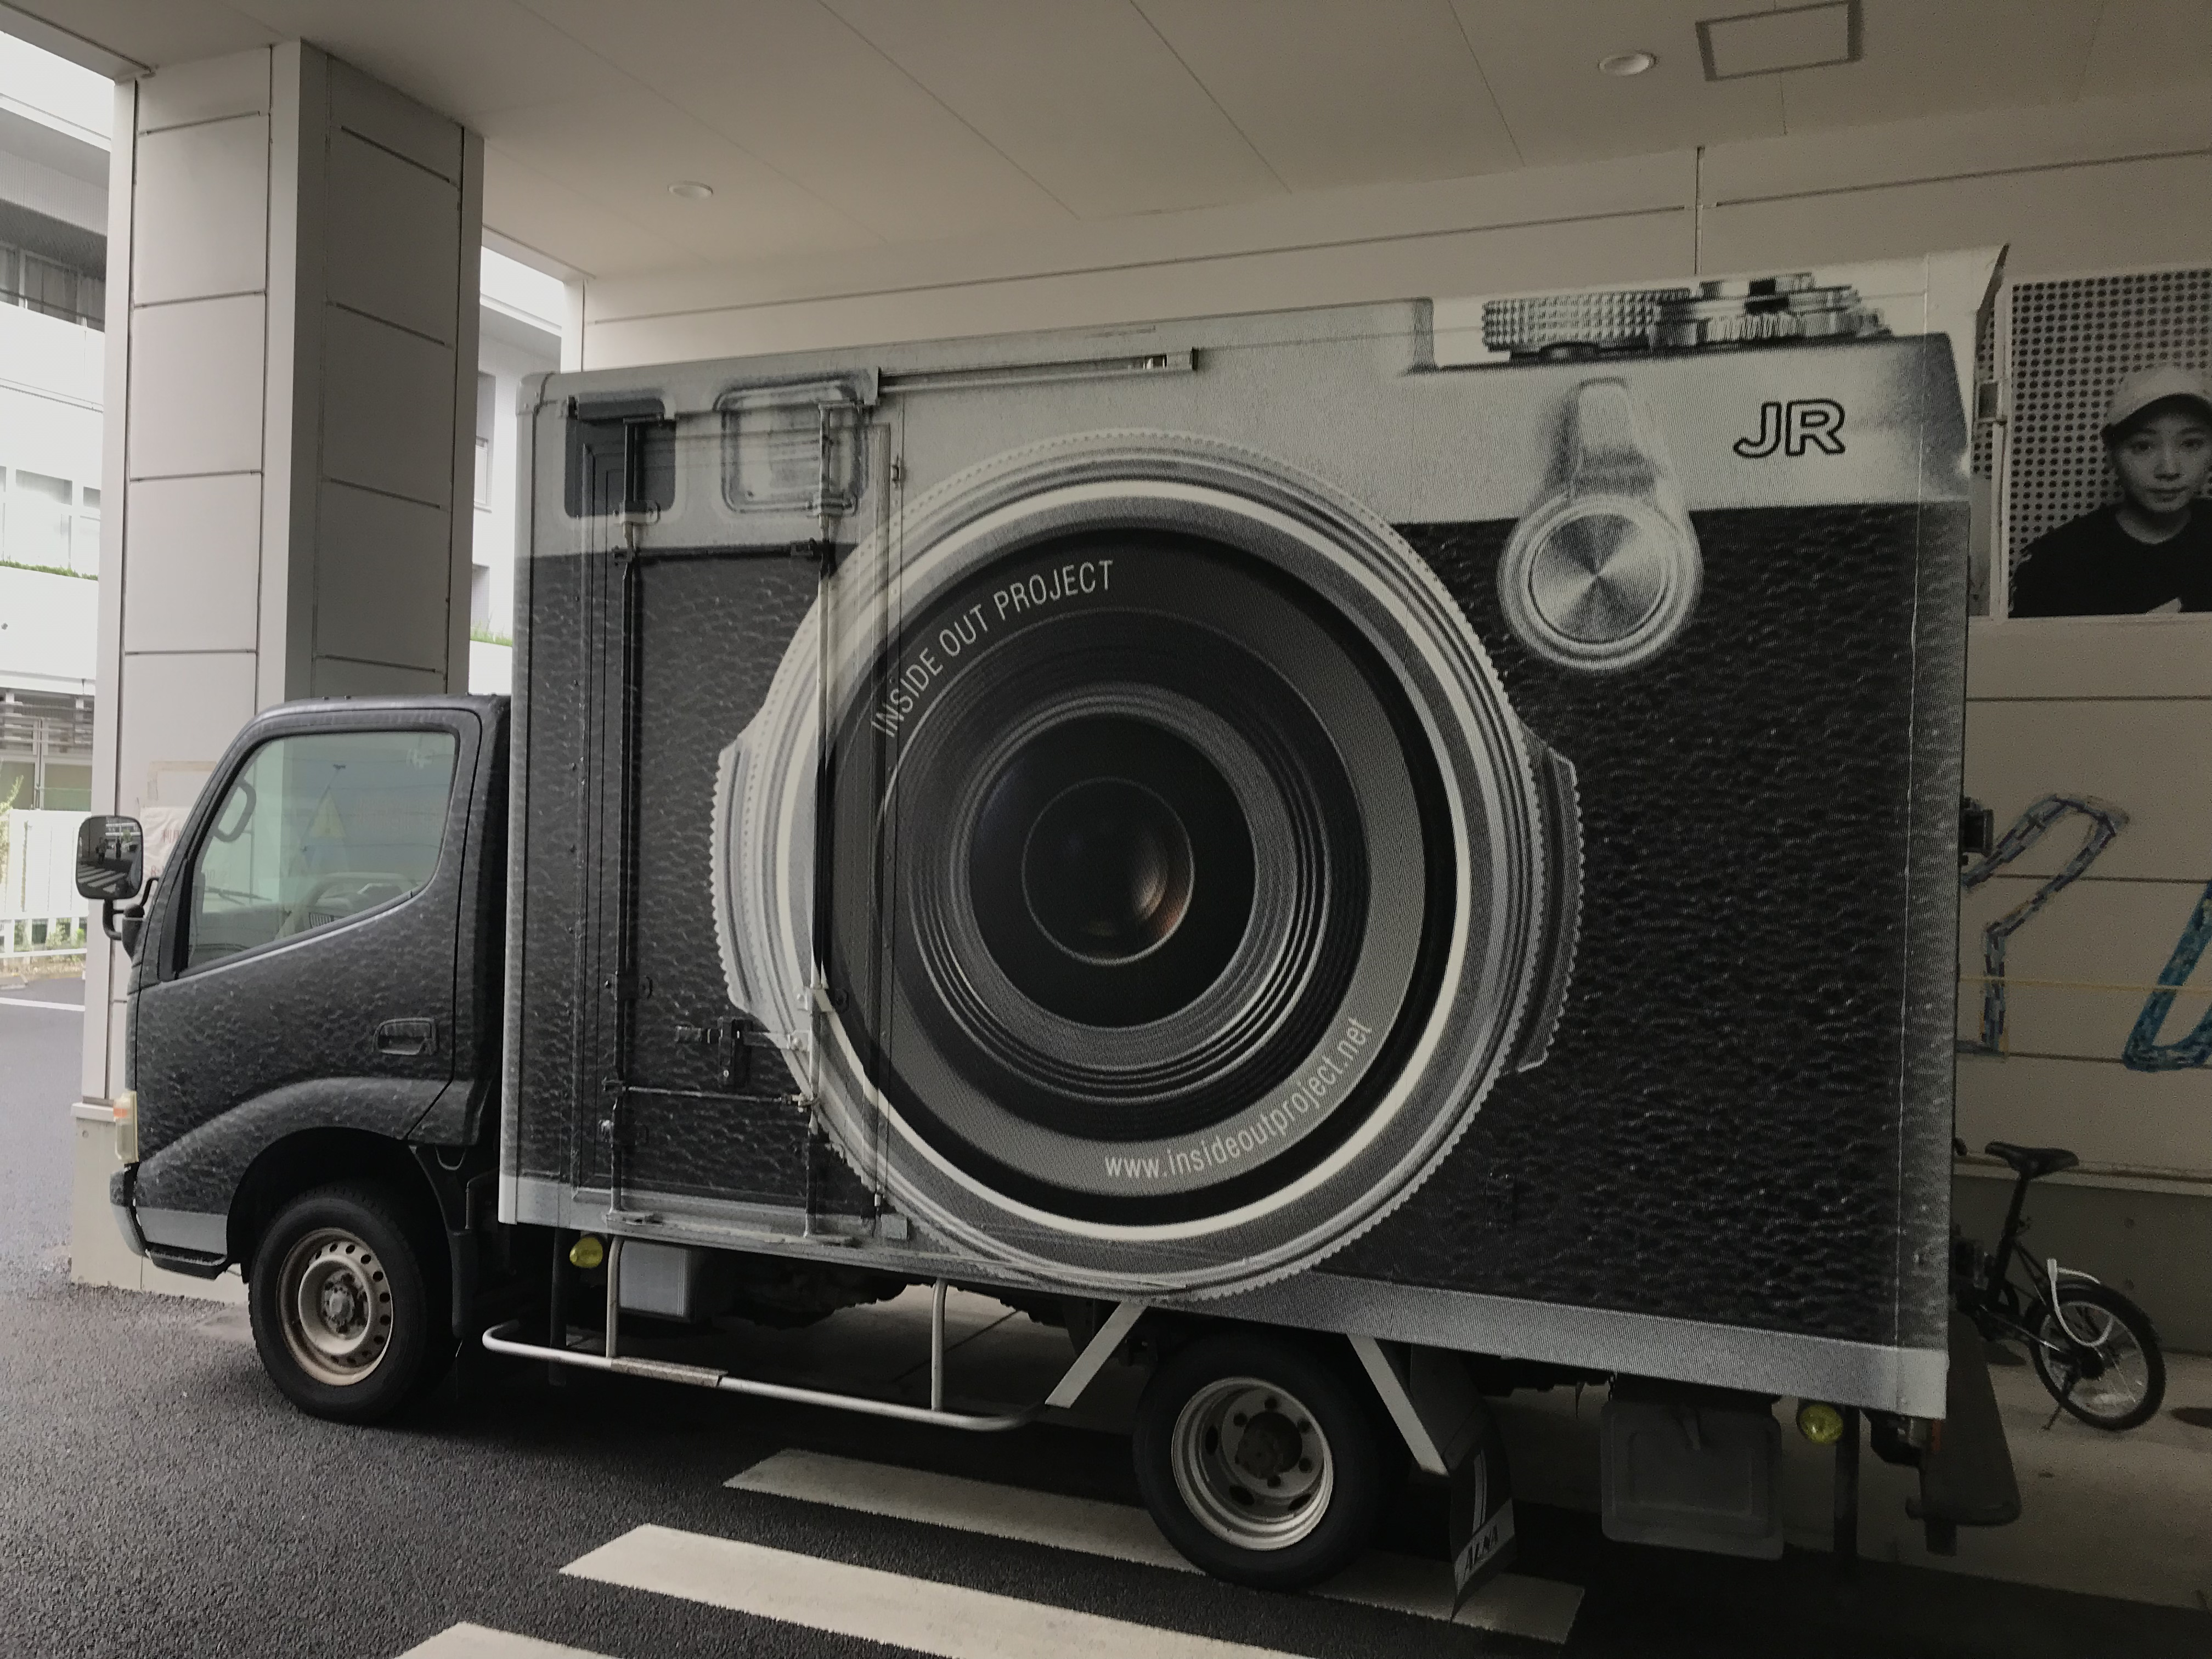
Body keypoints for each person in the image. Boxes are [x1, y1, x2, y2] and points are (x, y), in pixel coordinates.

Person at [2008, 364, 2212, 617]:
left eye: (2191, 444)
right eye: (2143, 446)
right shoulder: (2055, 562)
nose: (2169, 469)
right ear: (2111, 451)